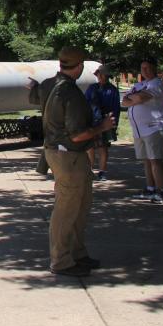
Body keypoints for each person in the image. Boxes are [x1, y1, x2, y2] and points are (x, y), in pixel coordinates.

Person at [42, 47, 114, 277]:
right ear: (80, 66)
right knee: (67, 209)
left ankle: (76, 253)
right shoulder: (68, 92)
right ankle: (61, 261)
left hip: (69, 155)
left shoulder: (55, 85)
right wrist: (101, 127)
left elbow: (36, 94)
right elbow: (76, 135)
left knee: (80, 206)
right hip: (68, 155)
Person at [122, 58, 163, 204]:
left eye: (148, 68)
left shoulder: (157, 83)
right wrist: (134, 98)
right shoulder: (139, 84)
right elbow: (125, 101)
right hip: (139, 130)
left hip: (154, 127)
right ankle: (150, 188)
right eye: (142, 68)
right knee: (146, 160)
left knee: (155, 160)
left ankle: (160, 191)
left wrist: (135, 98)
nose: (144, 71)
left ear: (154, 68)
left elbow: (141, 96)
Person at [84, 64, 120, 181]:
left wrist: (114, 123)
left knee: (103, 147)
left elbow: (116, 108)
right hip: (91, 120)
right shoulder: (92, 88)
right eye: (99, 74)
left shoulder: (112, 90)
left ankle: (102, 171)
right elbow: (85, 103)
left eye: (102, 74)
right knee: (90, 148)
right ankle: (89, 170)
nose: (100, 77)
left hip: (105, 121)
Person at [27, 74, 58, 175]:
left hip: (49, 123)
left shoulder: (47, 86)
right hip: (54, 123)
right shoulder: (58, 88)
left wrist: (35, 88)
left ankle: (43, 168)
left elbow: (34, 100)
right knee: (52, 145)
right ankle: (44, 168)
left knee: (50, 145)